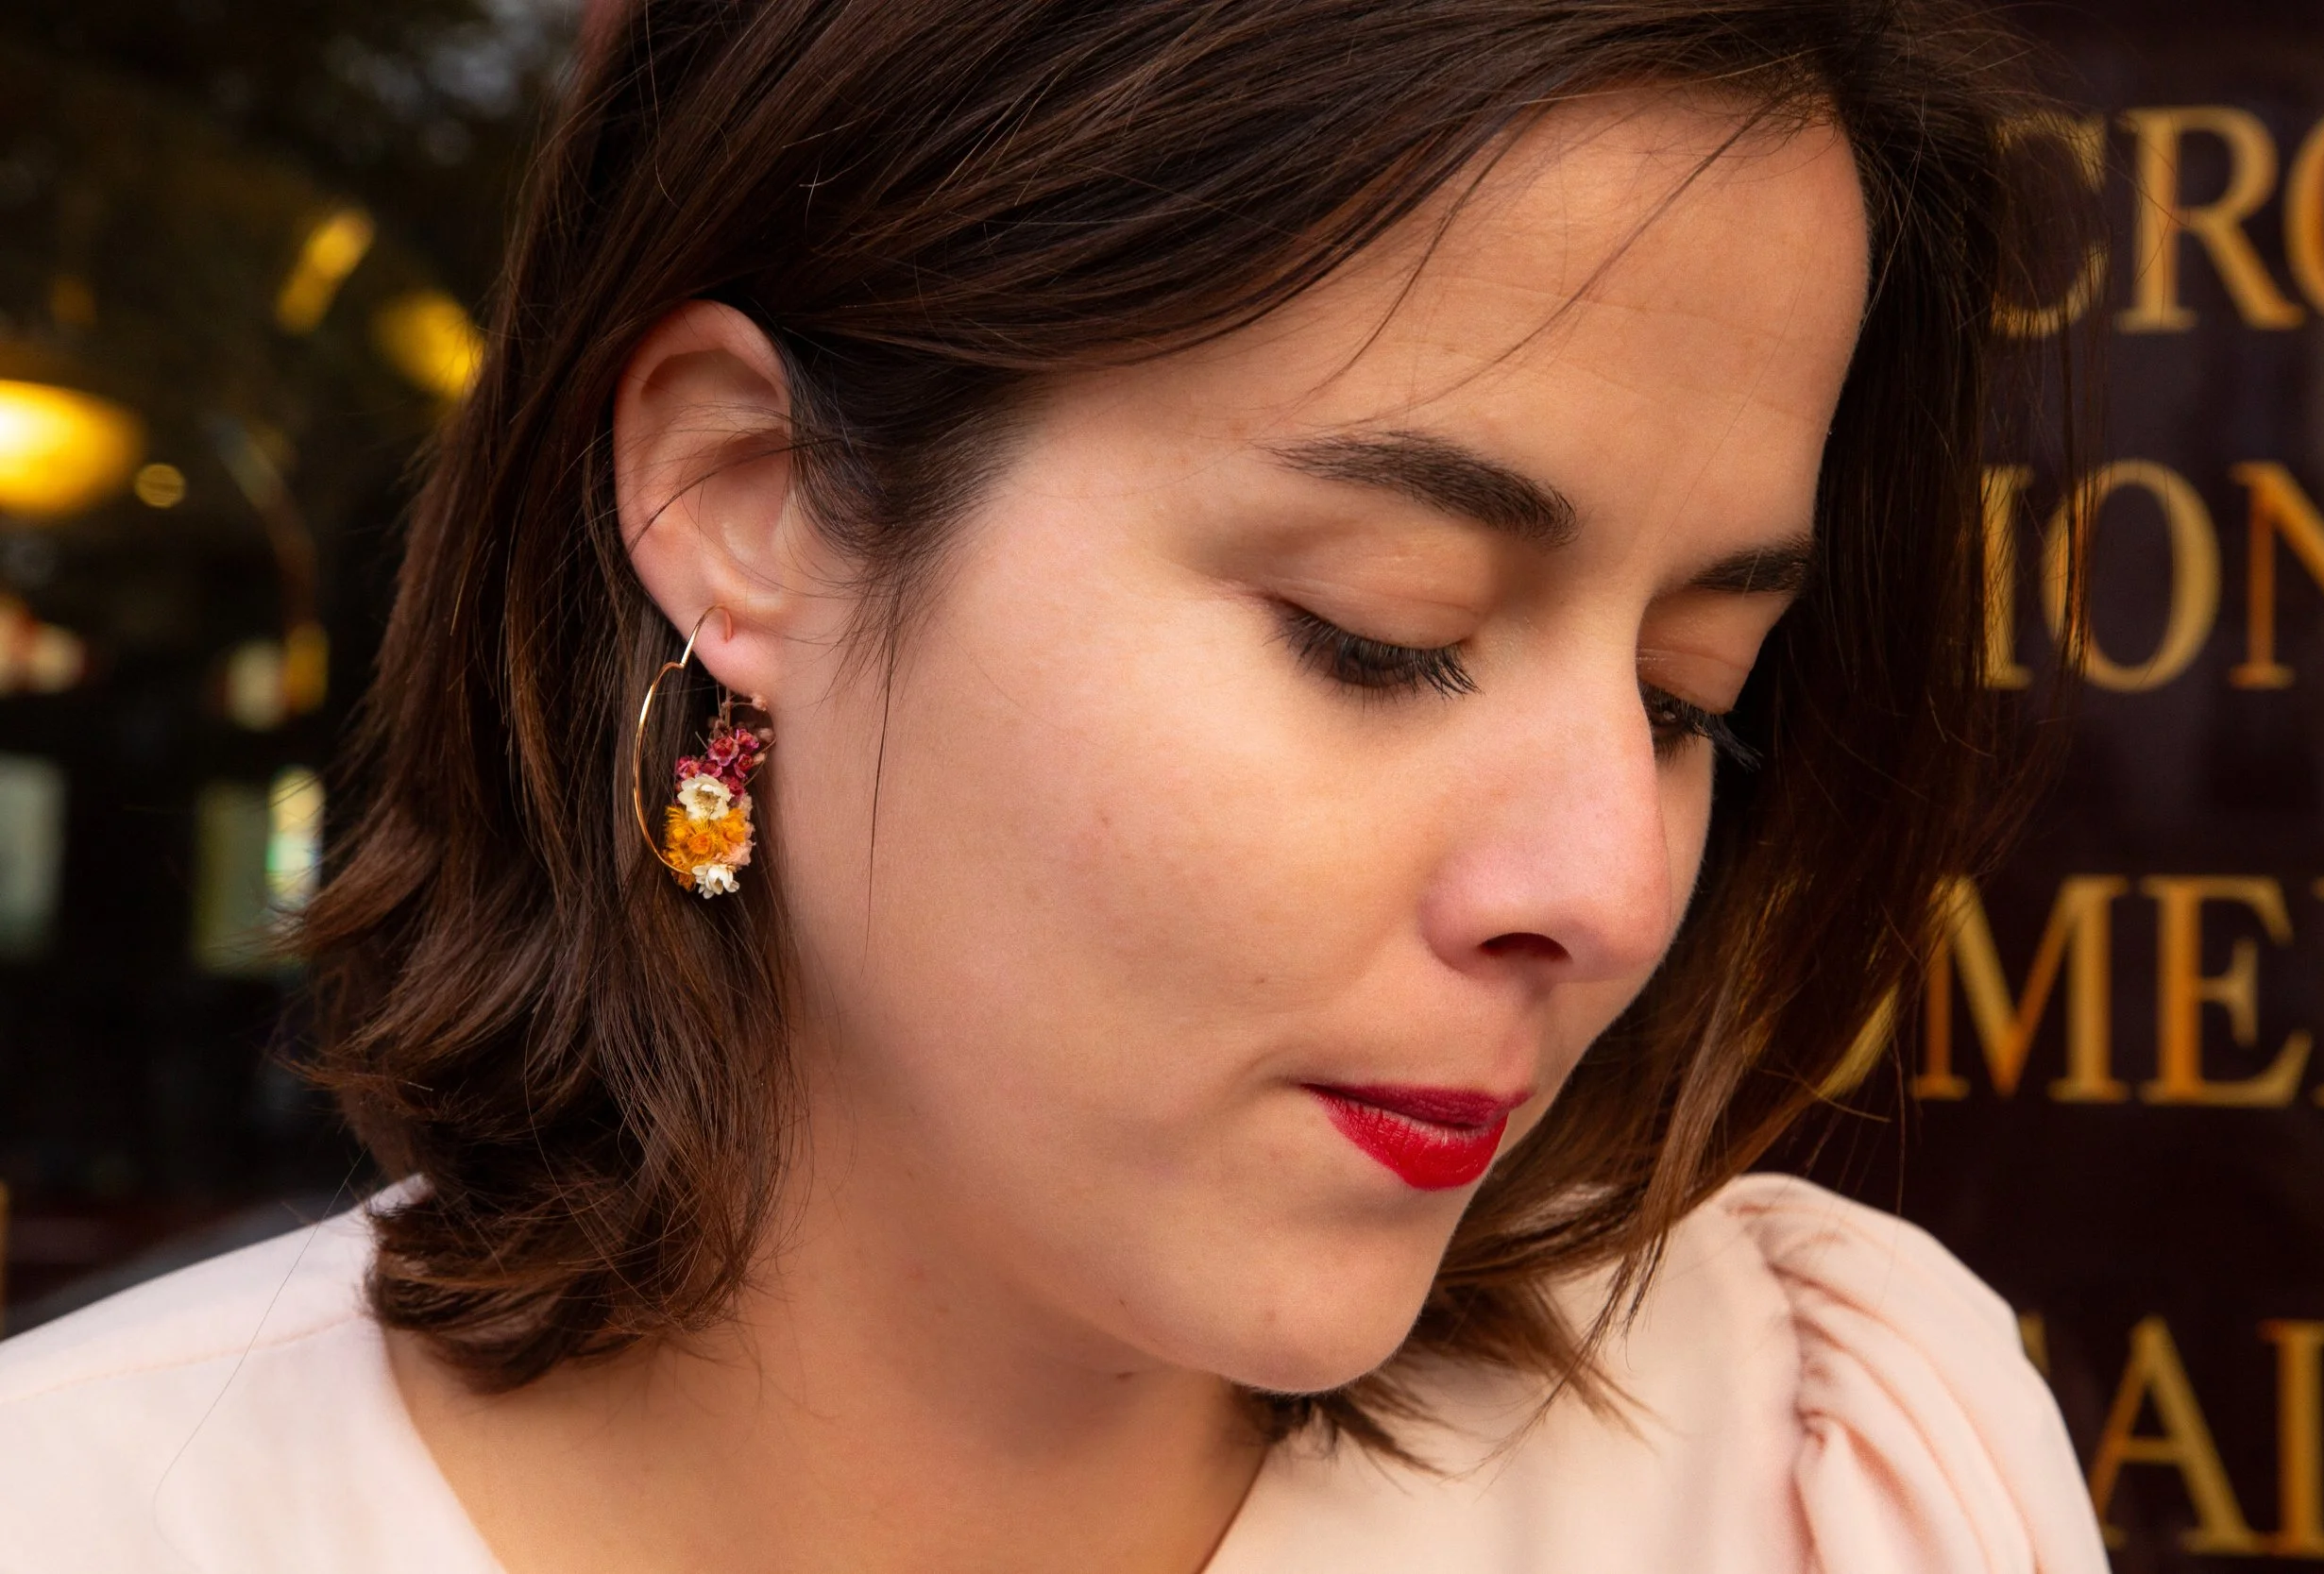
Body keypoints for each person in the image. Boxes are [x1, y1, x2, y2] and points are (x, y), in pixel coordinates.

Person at [0, 2, 2109, 1569]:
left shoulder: (1802, 1475)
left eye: (1688, 694)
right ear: (750, 506)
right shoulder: (107, 1511)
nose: (1608, 884)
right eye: (1378, 630)